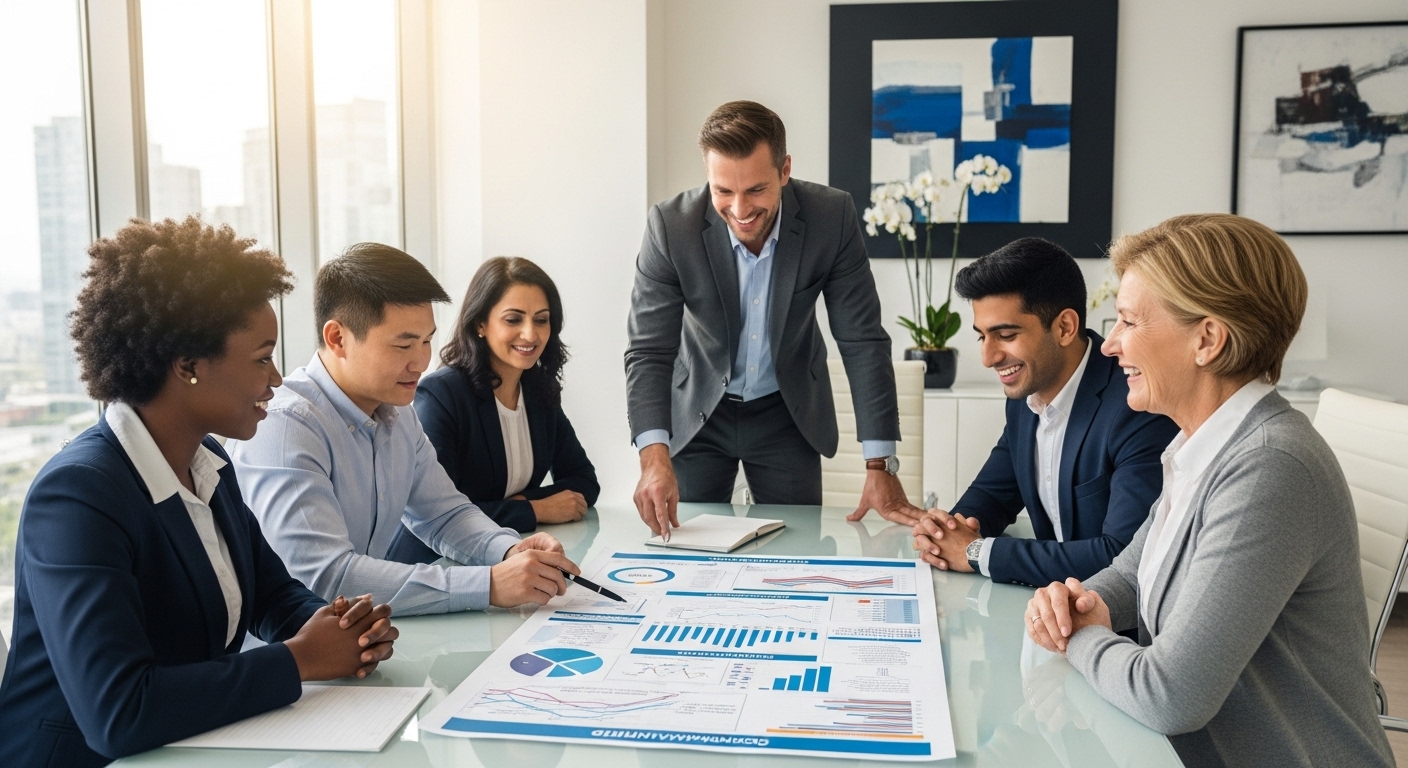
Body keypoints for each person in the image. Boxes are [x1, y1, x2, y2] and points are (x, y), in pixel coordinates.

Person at [0, 218, 398, 768]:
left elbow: (270, 595)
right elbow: (120, 712)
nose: (277, 378)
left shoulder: (207, 462)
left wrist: (341, 628)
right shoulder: (77, 497)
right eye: (262, 357)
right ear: (187, 365)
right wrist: (298, 660)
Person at [1025, 214, 1392, 766]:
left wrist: (1077, 635)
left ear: (1207, 339)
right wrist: (1080, 601)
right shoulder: (1200, 447)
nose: (1110, 345)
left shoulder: (1269, 467)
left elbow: (1169, 695)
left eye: (1127, 322)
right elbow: (1133, 571)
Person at [228, 243, 578, 616]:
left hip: (360, 639)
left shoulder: (397, 413)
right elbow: (325, 578)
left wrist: (508, 549)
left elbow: (444, 514)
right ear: (337, 338)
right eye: (403, 344)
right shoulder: (286, 425)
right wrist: (489, 584)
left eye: (426, 340)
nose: (421, 361)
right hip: (291, 658)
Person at [626, 100, 921, 535]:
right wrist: (652, 457)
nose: (740, 210)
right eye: (723, 191)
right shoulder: (670, 227)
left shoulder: (831, 218)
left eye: (756, 190)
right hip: (698, 412)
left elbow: (861, 341)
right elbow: (649, 350)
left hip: (787, 412)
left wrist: (880, 464)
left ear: (784, 170)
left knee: (797, 552)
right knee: (687, 549)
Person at [911, 238, 1178, 586]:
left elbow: (1122, 556)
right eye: (982, 337)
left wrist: (977, 552)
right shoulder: (1027, 393)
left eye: (1005, 335)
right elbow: (993, 494)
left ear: (1065, 327)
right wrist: (943, 533)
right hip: (1050, 611)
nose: (988, 357)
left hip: (1119, 628)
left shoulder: (1136, 402)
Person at [409, 256, 599, 539]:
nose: (530, 333)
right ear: (480, 324)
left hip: (508, 550)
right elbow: (438, 513)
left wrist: (518, 503)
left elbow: (584, 481)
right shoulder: (441, 395)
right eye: (513, 319)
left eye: (541, 320)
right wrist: (535, 509)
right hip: (435, 563)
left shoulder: (538, 390)